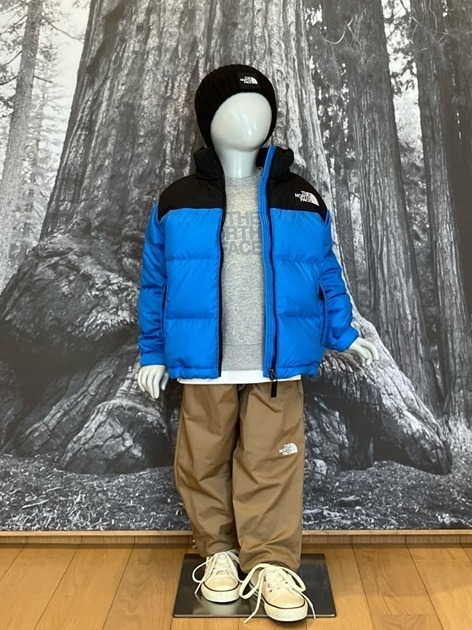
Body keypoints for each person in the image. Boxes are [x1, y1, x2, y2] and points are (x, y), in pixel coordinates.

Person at [136, 64, 378, 624]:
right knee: (203, 460)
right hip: (205, 363)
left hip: (276, 364)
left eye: (261, 108)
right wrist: (152, 352)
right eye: (234, 108)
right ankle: (218, 553)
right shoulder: (176, 200)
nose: (250, 118)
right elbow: (155, 283)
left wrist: (343, 332)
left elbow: (325, 271)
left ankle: (270, 562)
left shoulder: (302, 196)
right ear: (208, 122)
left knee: (273, 461)